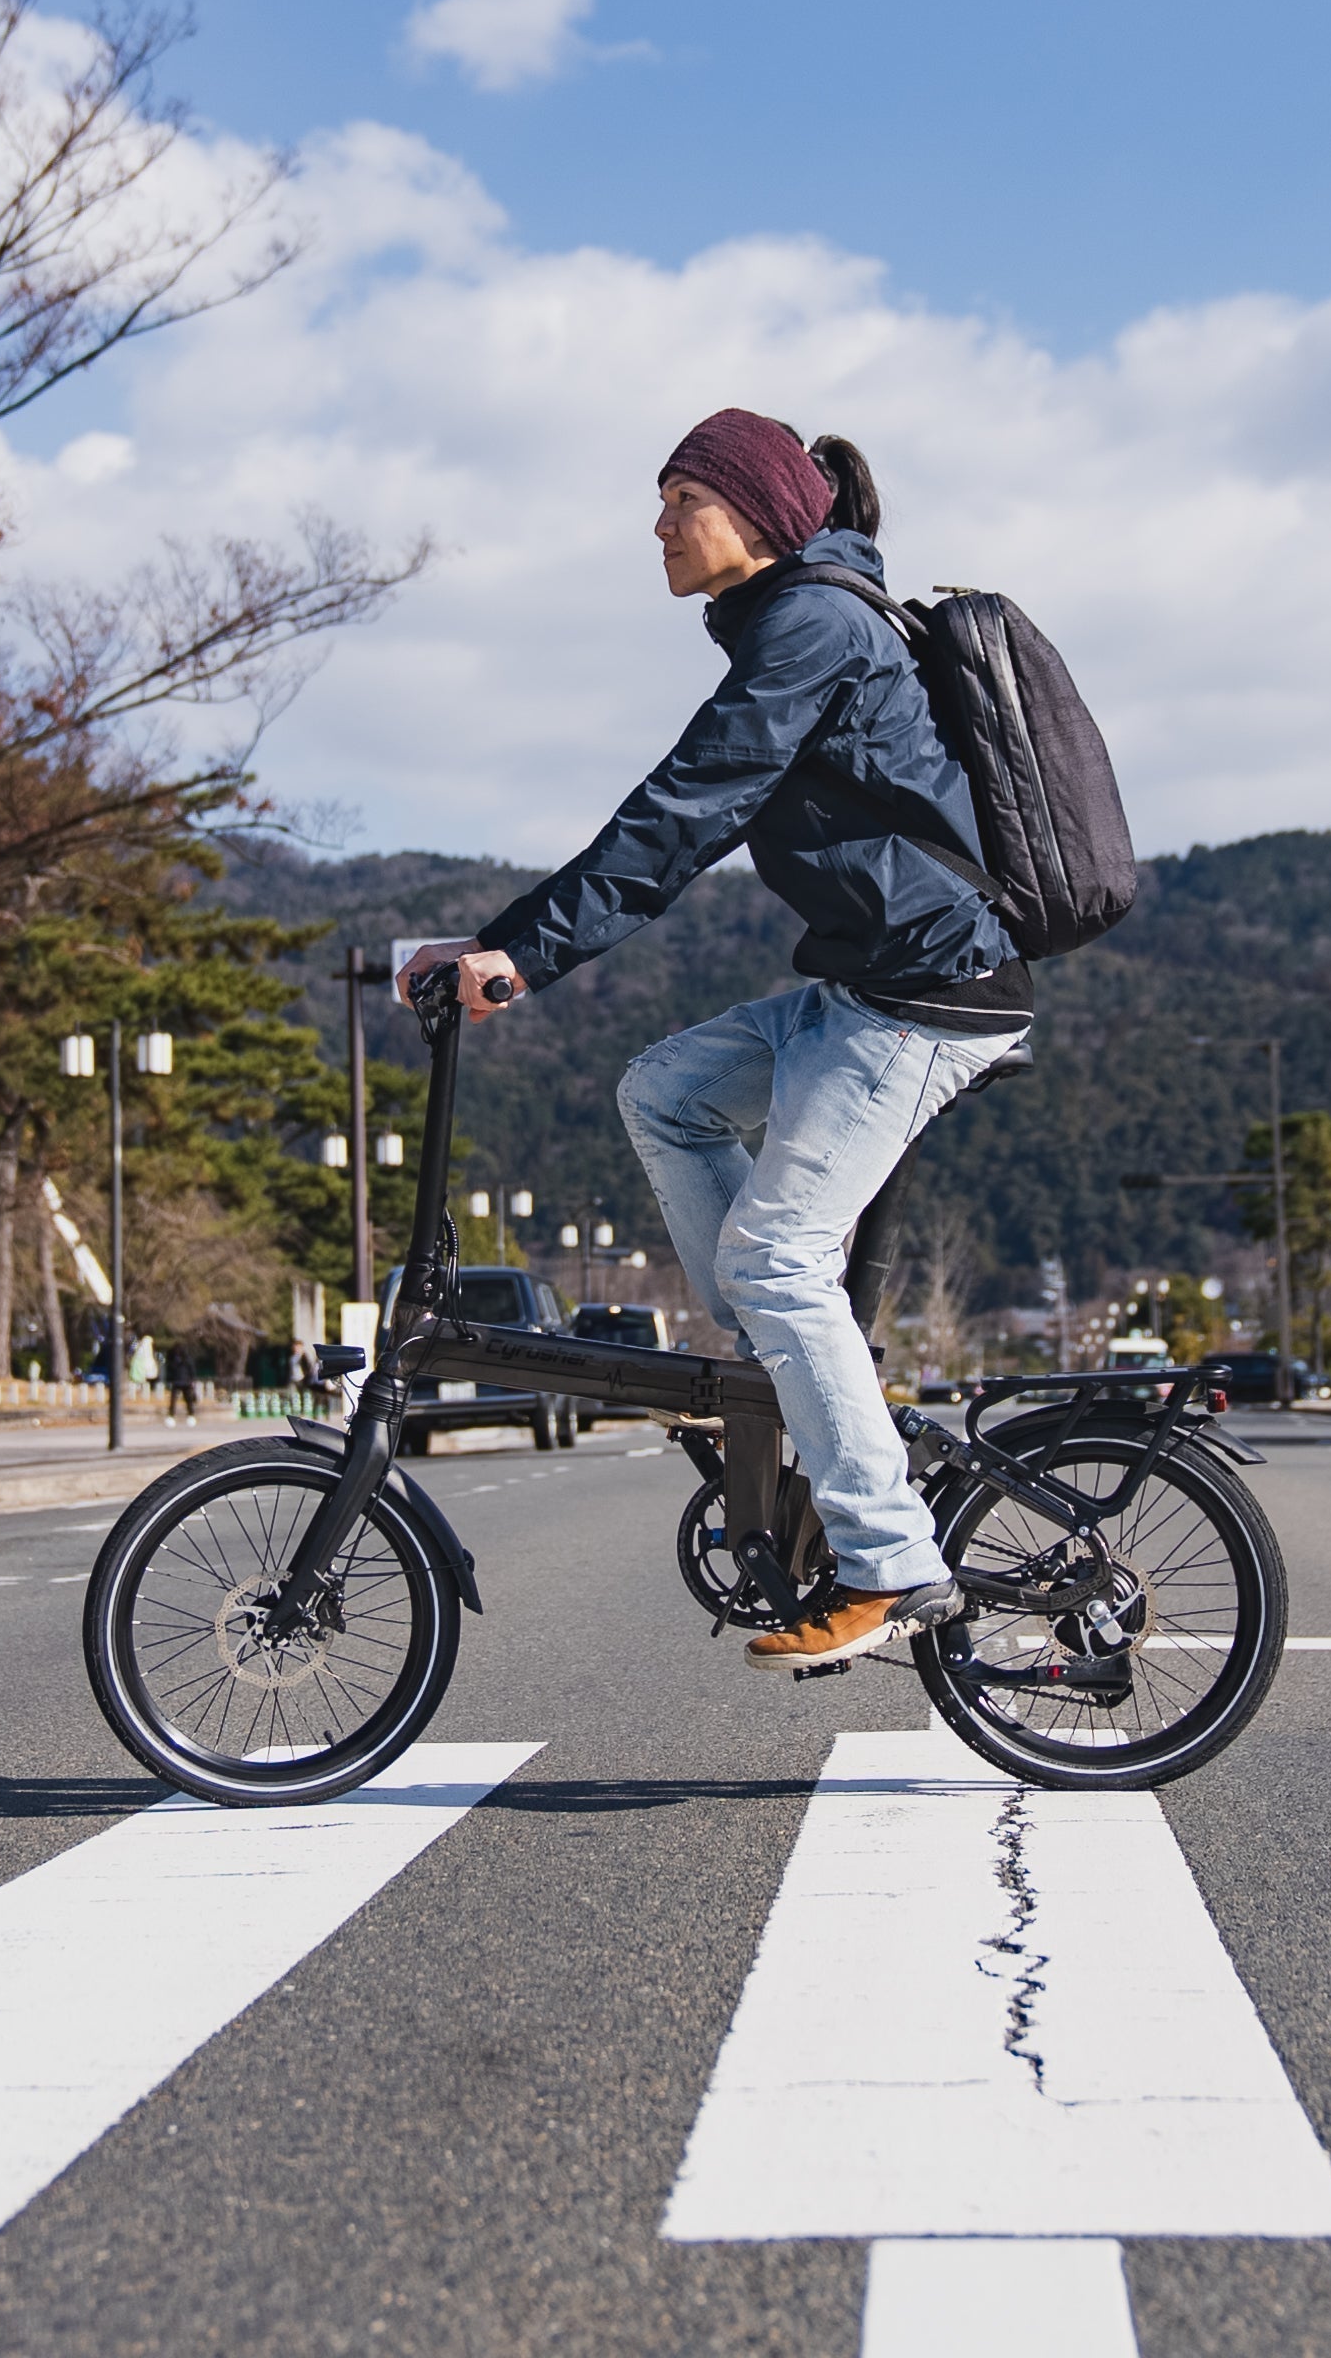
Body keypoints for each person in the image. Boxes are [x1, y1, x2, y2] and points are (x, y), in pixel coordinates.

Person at [404, 408, 1028, 1675]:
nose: (657, 525)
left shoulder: (813, 626)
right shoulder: (796, 622)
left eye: (678, 496)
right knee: (667, 1091)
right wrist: (496, 938)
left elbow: (680, 813)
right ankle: (773, 1369)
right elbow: (677, 816)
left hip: (928, 991)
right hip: (865, 984)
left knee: (783, 1253)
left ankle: (892, 1561)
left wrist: (519, 953)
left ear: (753, 513)